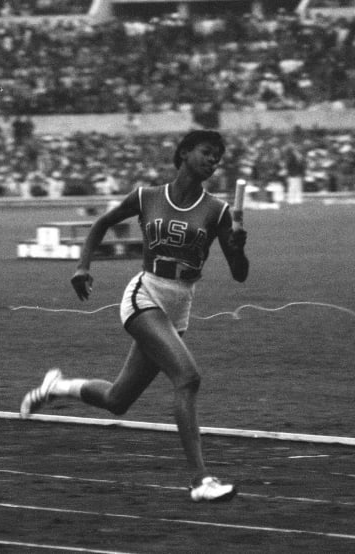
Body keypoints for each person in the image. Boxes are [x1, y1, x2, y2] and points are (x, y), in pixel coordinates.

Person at [19, 129, 249, 503]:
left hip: (178, 308)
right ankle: (200, 480)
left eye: (218, 157)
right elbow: (101, 224)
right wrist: (82, 267)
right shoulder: (147, 197)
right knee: (187, 378)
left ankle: (55, 387)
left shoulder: (218, 212)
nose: (213, 161)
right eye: (207, 153)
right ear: (186, 152)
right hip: (145, 296)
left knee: (117, 400)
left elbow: (239, 273)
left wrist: (238, 249)